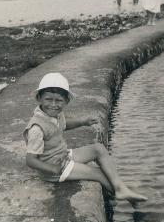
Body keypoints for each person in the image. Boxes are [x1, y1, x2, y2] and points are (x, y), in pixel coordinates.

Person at [23, 73, 146, 203]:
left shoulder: (55, 114)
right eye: (48, 99)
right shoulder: (36, 128)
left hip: (62, 155)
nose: (53, 104)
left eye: (58, 100)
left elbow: (64, 125)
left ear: (66, 101)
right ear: (39, 99)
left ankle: (120, 187)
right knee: (98, 173)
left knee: (98, 149)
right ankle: (125, 196)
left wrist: (83, 121)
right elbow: (30, 160)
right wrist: (53, 169)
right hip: (53, 167)